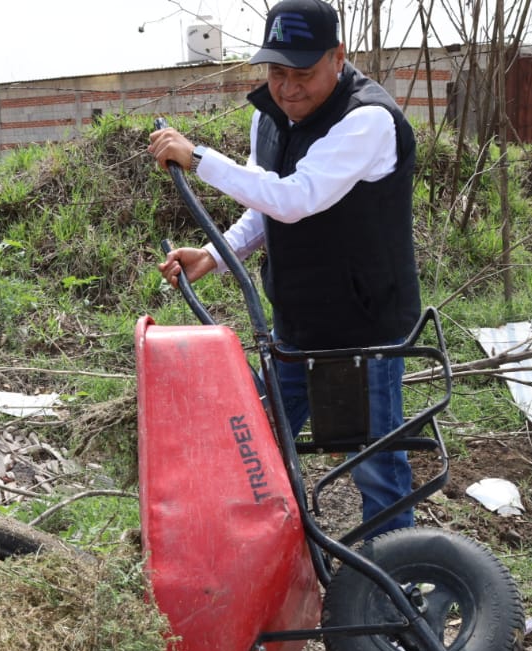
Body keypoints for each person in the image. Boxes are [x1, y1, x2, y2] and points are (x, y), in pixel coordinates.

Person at [147, 0, 420, 537]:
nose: (288, 89)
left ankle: (395, 578)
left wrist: (198, 158)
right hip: (297, 324)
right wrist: (217, 254)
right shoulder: (268, 117)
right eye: (277, 73)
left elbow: (296, 198)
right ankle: (256, 556)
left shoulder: (367, 119)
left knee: (374, 467)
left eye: (303, 74)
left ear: (337, 58)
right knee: (257, 443)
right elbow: (265, 205)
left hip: (362, 331)